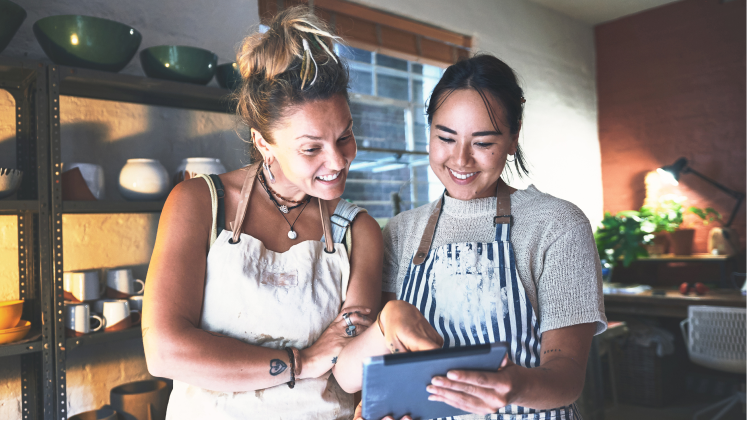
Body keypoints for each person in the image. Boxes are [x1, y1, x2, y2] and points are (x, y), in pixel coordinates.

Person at [141, 7, 385, 419]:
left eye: (345, 136)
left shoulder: (357, 230)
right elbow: (166, 351)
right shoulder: (199, 203)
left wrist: (390, 328)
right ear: (264, 142)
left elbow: (348, 367)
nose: (339, 160)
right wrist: (302, 362)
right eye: (311, 148)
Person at [337, 54, 608, 420]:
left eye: (483, 143)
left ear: (513, 137)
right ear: (428, 131)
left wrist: (517, 386)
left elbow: (567, 375)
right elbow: (379, 366)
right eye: (445, 138)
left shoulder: (557, 224)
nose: (461, 160)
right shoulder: (402, 232)